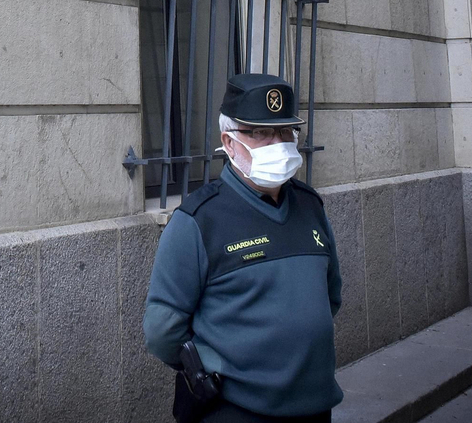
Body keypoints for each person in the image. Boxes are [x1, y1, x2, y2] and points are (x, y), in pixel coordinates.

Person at [143, 73, 342, 423]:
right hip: (236, 410)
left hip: (315, 406)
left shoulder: (310, 206)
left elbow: (330, 296)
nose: (277, 143)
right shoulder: (198, 221)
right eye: (260, 132)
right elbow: (162, 332)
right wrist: (217, 364)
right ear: (229, 142)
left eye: (285, 132)